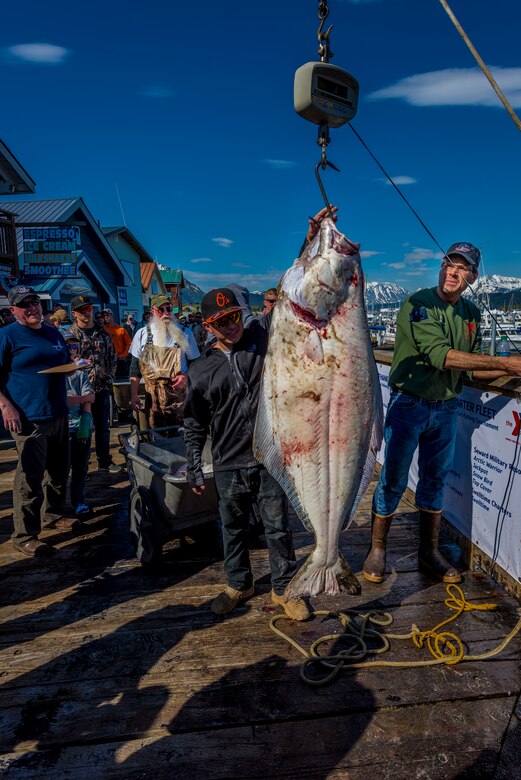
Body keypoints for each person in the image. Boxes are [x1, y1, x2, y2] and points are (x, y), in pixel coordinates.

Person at [364, 242, 521, 585]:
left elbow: (470, 372)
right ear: (441, 267)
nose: (453, 271)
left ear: (473, 277)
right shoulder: (417, 303)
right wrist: (505, 361)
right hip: (409, 404)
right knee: (393, 477)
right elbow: (442, 356)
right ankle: (377, 548)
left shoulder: (472, 314)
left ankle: (429, 550)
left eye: (462, 268)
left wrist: (510, 372)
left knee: (436, 480)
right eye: (449, 263)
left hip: (447, 406)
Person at [183, 287, 310, 621]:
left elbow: (289, 301)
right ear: (207, 327)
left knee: (277, 526)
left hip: (268, 457)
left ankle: (285, 588)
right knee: (232, 527)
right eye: (222, 321)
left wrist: (311, 237)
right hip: (227, 461)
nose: (231, 325)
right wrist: (194, 465)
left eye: (235, 316)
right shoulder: (199, 370)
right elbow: (194, 422)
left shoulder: (260, 337)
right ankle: (239, 583)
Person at [0, 286, 77, 557]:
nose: (33, 308)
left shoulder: (52, 332)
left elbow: (64, 361)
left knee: (58, 471)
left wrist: (77, 365)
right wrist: (4, 405)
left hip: (58, 410)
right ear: (13, 311)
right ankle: (24, 535)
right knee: (29, 477)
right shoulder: (7, 336)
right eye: (25, 305)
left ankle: (53, 515)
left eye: (35, 303)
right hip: (29, 416)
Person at [129, 293, 199, 431]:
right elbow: (134, 370)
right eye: (161, 310)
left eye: (169, 309)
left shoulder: (185, 333)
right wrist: (134, 394)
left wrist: (185, 377)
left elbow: (196, 363)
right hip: (152, 400)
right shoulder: (142, 334)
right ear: (153, 311)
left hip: (179, 401)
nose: (166, 313)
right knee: (156, 439)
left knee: (180, 438)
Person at [68, 295, 121, 474]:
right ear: (74, 313)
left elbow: (112, 358)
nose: (86, 313)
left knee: (102, 428)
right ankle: (79, 468)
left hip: (101, 388)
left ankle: (104, 462)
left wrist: (109, 380)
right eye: (82, 310)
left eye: (88, 309)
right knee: (79, 430)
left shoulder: (103, 333)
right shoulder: (69, 335)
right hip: (78, 392)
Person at [63, 330, 95, 517]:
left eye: (75, 345)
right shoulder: (54, 372)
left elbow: (90, 398)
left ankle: (79, 502)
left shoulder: (80, 373)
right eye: (68, 345)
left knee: (81, 468)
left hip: (81, 427)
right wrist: (81, 398)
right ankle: (57, 508)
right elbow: (61, 400)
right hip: (62, 429)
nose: (72, 349)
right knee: (59, 471)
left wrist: (84, 428)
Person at [102, 308, 132, 378]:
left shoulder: (121, 329)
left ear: (112, 316)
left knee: (122, 381)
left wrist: (124, 355)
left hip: (119, 360)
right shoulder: (102, 330)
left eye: (107, 315)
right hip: (107, 361)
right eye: (104, 316)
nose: (105, 317)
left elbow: (129, 344)